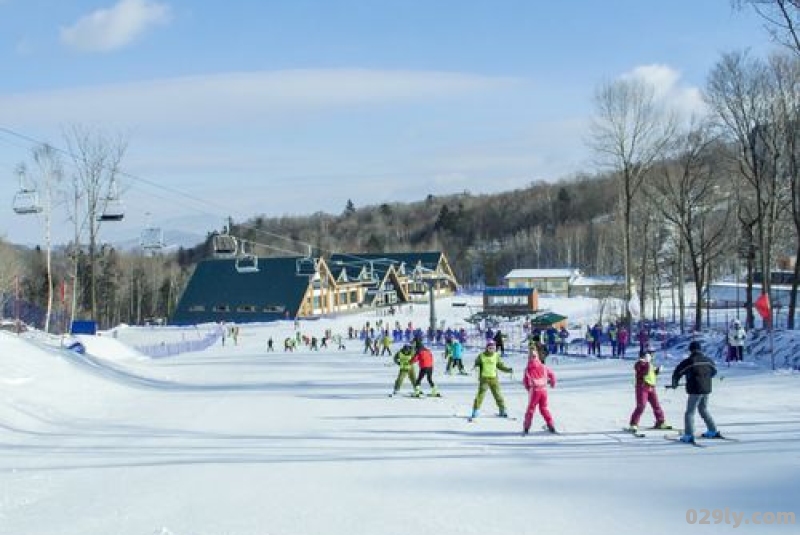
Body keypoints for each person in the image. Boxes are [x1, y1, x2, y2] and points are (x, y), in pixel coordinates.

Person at [670, 340, 721, 443]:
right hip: (706, 389)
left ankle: (688, 435)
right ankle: (713, 430)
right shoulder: (708, 360)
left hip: (695, 389)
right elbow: (714, 371)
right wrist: (706, 377)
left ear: (691, 350)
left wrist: (675, 383)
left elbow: (677, 373)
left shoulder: (689, 361)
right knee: (703, 409)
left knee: (690, 412)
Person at [626, 346, 669, 433]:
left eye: (653, 353)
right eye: (651, 353)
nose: (653, 355)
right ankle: (633, 424)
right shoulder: (640, 363)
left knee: (656, 405)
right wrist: (645, 363)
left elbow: (651, 374)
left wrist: (657, 371)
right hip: (642, 387)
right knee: (641, 406)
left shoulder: (649, 363)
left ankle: (660, 422)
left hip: (651, 387)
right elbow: (642, 372)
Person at [470, 340, 513, 418]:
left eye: (493, 348)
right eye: (490, 348)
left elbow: (500, 365)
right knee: (480, 395)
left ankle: (502, 410)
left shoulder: (496, 356)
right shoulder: (481, 356)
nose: (492, 349)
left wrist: (508, 369)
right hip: (484, 379)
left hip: (494, 379)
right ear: (487, 348)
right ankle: (475, 410)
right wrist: (476, 366)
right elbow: (476, 363)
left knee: (498, 395)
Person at [522, 348, 557, 434]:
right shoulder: (543, 366)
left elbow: (525, 381)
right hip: (544, 390)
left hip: (535, 390)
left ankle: (526, 427)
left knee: (531, 408)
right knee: (544, 408)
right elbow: (552, 374)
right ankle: (551, 424)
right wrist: (552, 383)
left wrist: (528, 389)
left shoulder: (528, 369)